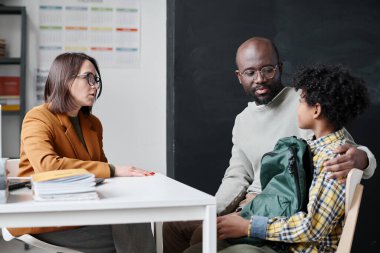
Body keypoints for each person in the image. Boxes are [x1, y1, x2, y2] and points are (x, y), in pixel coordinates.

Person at [162, 37, 377, 253]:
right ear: (239, 77)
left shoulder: (307, 100)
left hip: (281, 210)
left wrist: (362, 158)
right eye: (250, 73)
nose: (259, 79)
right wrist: (212, 211)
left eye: (267, 70)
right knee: (174, 225)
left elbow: (342, 146)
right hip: (250, 207)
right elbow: (237, 176)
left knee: (202, 242)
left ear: (280, 68)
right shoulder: (243, 120)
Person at [7, 52, 156, 253]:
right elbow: (48, 166)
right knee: (132, 229)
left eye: (96, 79)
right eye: (89, 78)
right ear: (66, 79)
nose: (95, 85)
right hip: (44, 215)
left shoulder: (93, 124)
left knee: (135, 219)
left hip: (83, 208)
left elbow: (101, 173)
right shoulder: (37, 118)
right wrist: (113, 170)